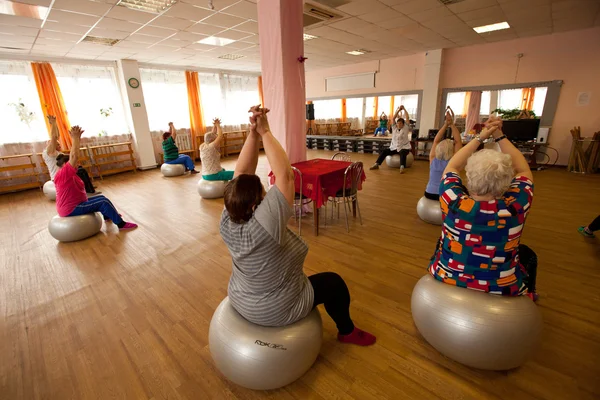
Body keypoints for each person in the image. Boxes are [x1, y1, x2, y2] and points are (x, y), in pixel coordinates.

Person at [220, 105, 376, 346]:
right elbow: (286, 176)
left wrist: (252, 133)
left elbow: (241, 172)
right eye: (263, 192)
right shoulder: (264, 225)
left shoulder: (228, 216)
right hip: (275, 309)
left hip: (242, 298)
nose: (266, 193)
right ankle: (347, 331)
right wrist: (265, 132)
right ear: (254, 207)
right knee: (334, 283)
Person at [428, 117, 538, 301]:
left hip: (447, 276)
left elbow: (453, 165)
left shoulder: (453, 201)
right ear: (506, 182)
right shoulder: (517, 205)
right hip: (502, 287)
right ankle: (530, 293)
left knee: (442, 240)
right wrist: (499, 135)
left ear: (469, 177)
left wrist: (480, 137)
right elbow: (523, 170)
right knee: (528, 255)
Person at [54, 125, 137, 230]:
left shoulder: (70, 174)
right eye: (75, 162)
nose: (78, 163)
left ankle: (108, 216)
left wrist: (77, 138)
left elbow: (75, 157)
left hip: (78, 203)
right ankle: (121, 224)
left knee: (102, 198)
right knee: (103, 203)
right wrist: (75, 138)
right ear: (66, 164)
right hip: (72, 208)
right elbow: (74, 156)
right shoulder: (63, 174)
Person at [42, 115, 100, 195]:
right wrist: (53, 124)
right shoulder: (48, 153)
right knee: (81, 172)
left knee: (80, 169)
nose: (59, 145)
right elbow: (54, 137)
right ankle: (89, 191)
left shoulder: (59, 153)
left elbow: (57, 136)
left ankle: (88, 187)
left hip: (65, 173)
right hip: (59, 177)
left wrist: (55, 123)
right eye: (57, 145)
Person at [424, 107, 462, 201]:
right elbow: (458, 141)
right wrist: (451, 125)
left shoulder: (433, 159)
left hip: (429, 193)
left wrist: (445, 125)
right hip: (445, 196)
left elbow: (436, 141)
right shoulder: (454, 162)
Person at [369, 105, 412, 173]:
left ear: (403, 124)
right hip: (394, 147)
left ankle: (402, 167)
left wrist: (404, 109)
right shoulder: (394, 128)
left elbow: (407, 118)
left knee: (403, 153)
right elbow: (393, 118)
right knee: (385, 151)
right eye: (398, 123)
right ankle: (376, 164)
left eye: (400, 123)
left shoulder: (405, 128)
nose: (398, 124)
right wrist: (398, 110)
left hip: (404, 147)